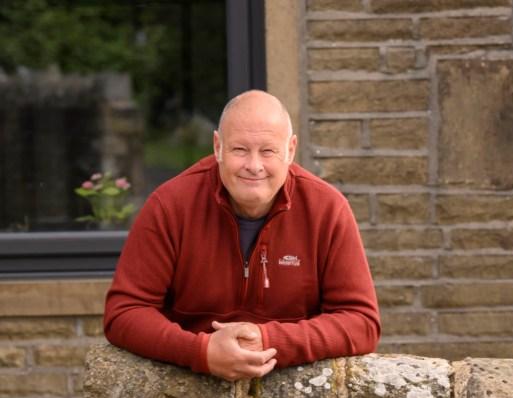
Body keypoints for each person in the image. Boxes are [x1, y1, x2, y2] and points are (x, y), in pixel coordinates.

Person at [104, 90, 380, 381]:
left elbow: (362, 323)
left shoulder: (327, 210)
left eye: (268, 150)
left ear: (290, 150)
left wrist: (270, 339)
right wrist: (201, 351)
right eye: (239, 150)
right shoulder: (170, 205)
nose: (254, 165)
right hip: (187, 395)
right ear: (217, 147)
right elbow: (124, 313)